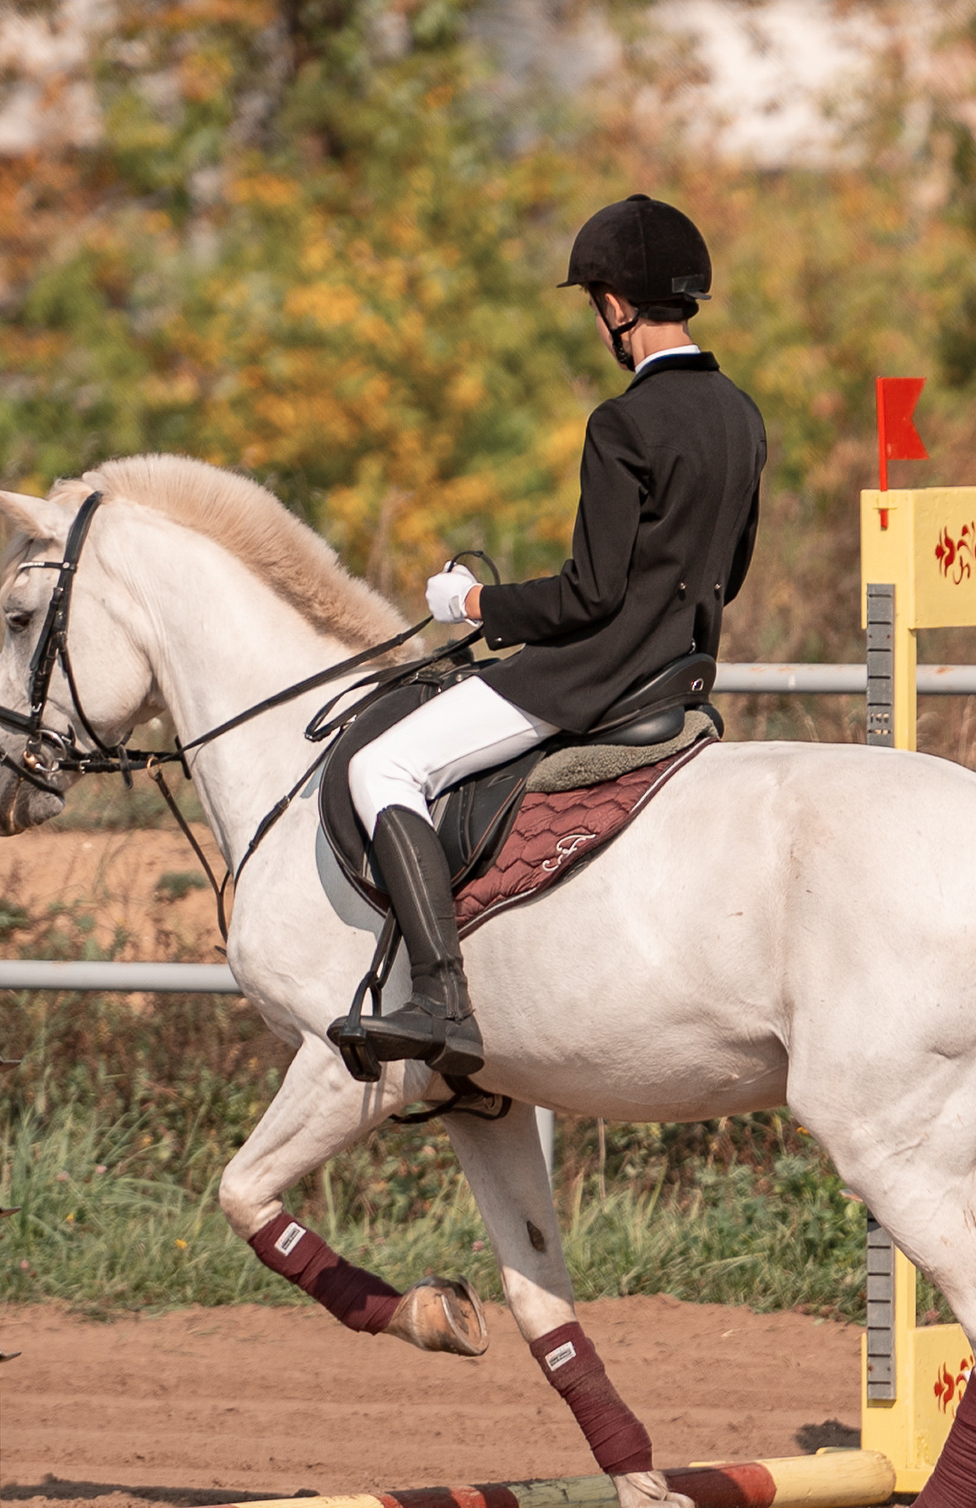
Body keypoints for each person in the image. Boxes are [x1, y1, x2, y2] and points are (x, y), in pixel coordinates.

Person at [339, 193, 769, 1077]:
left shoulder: (624, 423)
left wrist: (475, 606)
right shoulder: (741, 415)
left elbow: (588, 594)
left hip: (592, 677)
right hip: (680, 676)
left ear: (616, 306)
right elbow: (736, 568)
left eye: (594, 305)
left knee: (379, 765)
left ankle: (438, 998)